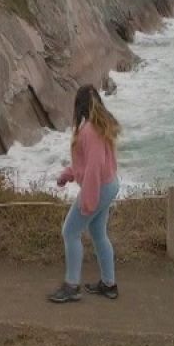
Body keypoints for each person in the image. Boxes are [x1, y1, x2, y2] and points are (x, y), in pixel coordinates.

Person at [48, 85, 121, 303]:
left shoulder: (89, 130)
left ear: (79, 106)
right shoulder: (98, 127)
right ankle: (109, 284)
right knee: (98, 233)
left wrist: (88, 201)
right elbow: (87, 164)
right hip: (108, 184)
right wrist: (67, 175)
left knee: (70, 231)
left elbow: (94, 167)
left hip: (99, 187)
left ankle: (72, 286)